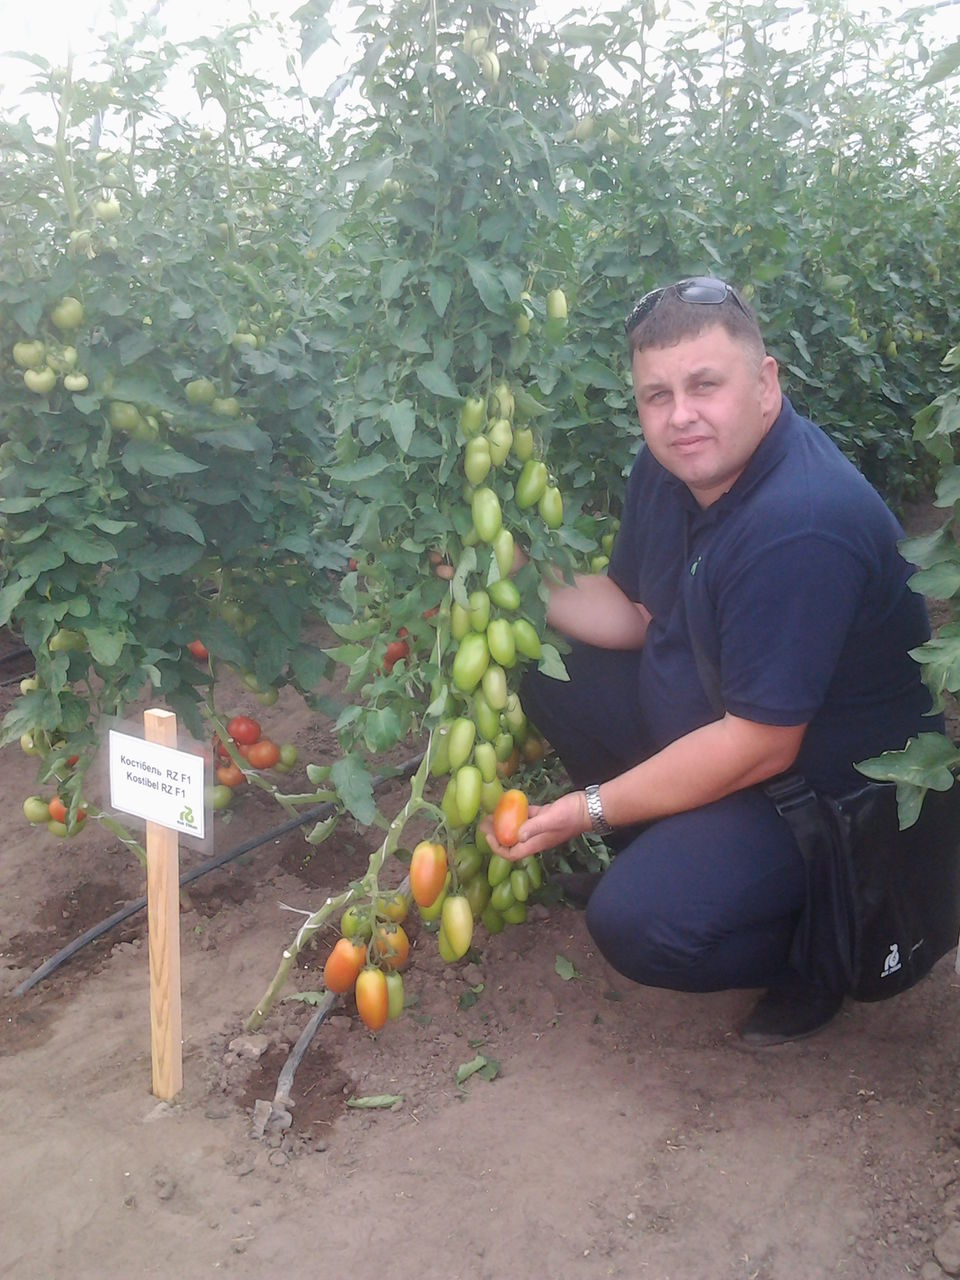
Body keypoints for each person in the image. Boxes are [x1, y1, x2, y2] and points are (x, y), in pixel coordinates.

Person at [480, 276, 939, 1046]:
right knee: (554, 667)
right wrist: (503, 572)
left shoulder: (801, 523)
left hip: (827, 803)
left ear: (765, 384)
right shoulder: (670, 470)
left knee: (639, 925)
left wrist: (587, 807)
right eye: (656, 395)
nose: (679, 415)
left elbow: (762, 743)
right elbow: (632, 613)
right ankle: (672, 855)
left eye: (704, 385)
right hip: (733, 727)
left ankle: (825, 947)